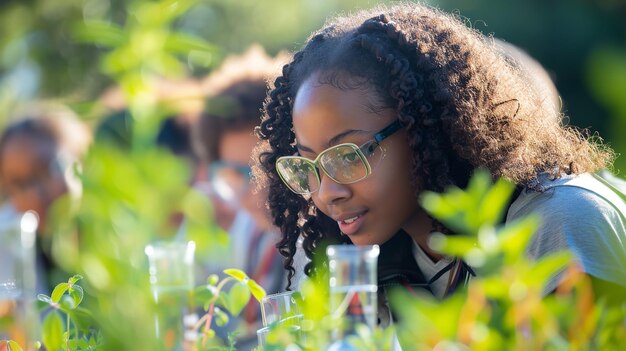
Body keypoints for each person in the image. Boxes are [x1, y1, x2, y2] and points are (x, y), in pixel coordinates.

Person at [252, 1, 625, 311]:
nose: (326, 193)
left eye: (348, 155)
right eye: (309, 165)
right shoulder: (367, 258)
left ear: (425, 125)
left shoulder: (560, 222)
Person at [193, 45, 297, 349]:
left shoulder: (330, 236)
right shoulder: (249, 235)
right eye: (235, 174)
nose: (255, 193)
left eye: (266, 167)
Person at [0, 103, 91, 292]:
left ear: (80, 158)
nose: (34, 194)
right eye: (18, 184)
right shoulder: (7, 244)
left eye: (45, 170)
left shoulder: (119, 229)